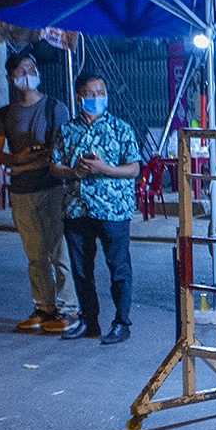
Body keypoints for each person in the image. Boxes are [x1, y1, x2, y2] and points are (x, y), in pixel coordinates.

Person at [51, 73, 142, 345]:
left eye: (100, 91)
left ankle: (121, 322)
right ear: (79, 97)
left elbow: (134, 168)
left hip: (113, 209)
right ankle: (89, 321)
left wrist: (105, 169)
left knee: (118, 267)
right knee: (81, 269)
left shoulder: (121, 128)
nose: (96, 98)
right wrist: (74, 171)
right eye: (90, 93)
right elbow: (54, 165)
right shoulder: (66, 130)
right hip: (77, 208)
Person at [0, 51, 73, 334]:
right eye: (21, 70)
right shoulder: (5, 114)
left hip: (52, 187)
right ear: (12, 78)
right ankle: (43, 307)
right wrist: (19, 161)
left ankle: (67, 309)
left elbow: (59, 152)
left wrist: (22, 163)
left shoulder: (54, 108)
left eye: (32, 68)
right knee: (35, 254)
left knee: (59, 251)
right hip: (22, 192)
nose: (28, 74)